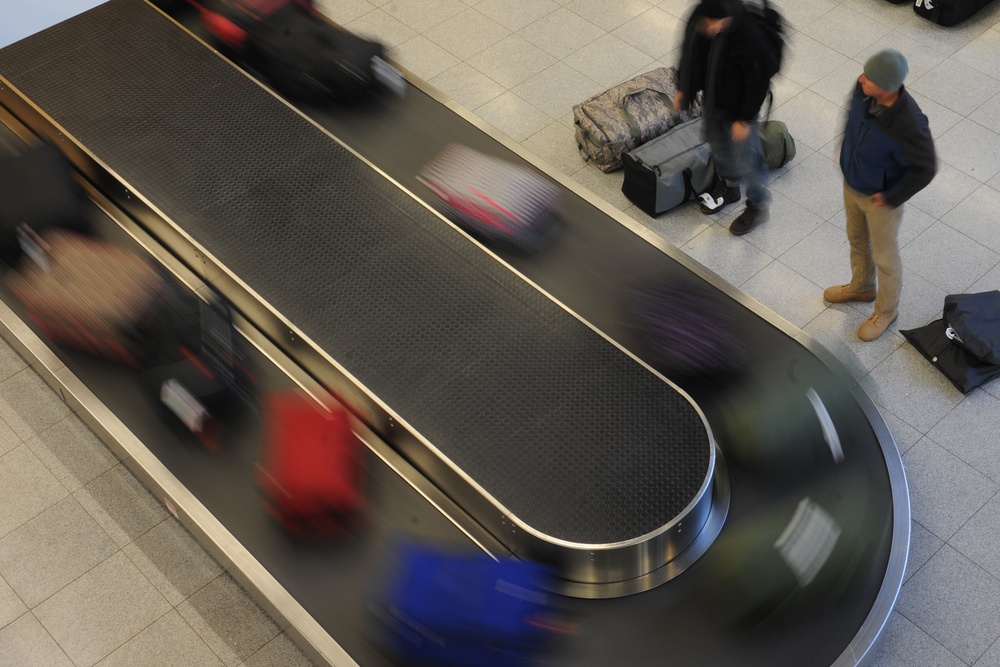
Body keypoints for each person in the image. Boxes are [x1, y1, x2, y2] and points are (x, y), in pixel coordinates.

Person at [825, 49, 936, 342]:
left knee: (884, 256)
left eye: (869, 77)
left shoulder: (910, 123)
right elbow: (851, 115)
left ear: (887, 87)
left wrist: (890, 197)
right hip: (853, 182)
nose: (861, 78)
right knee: (857, 239)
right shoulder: (863, 89)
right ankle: (862, 286)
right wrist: (844, 145)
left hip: (881, 199)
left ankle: (887, 310)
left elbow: (926, 169)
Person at [674, 0, 777, 236]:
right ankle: (730, 187)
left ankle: (758, 205)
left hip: (740, 108)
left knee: (748, 158)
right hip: (713, 99)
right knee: (717, 144)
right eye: (708, 23)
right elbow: (690, 52)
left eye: (718, 23)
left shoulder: (749, 35)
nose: (711, 28)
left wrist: (744, 118)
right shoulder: (701, 16)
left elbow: (758, 81)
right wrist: (684, 88)